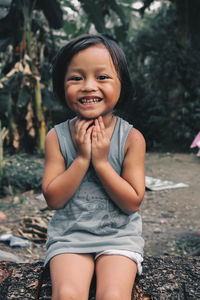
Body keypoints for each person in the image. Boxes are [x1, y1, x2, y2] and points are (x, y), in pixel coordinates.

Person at [42, 34, 146, 300]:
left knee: (113, 295)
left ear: (122, 84)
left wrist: (100, 162)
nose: (88, 86)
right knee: (67, 294)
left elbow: (132, 202)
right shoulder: (57, 137)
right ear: (62, 85)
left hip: (119, 237)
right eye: (76, 78)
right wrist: (81, 159)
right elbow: (53, 198)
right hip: (70, 237)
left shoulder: (131, 138)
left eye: (102, 77)